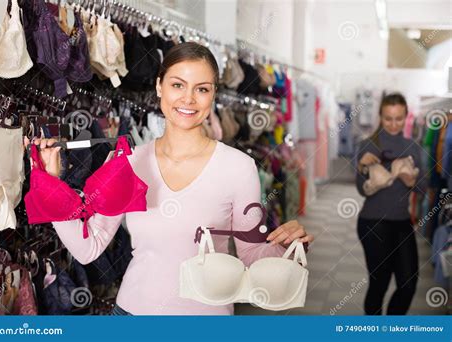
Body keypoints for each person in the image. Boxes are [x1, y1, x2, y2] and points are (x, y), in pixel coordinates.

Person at [26, 42, 314, 315]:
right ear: (159, 87)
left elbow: (249, 255)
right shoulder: (127, 161)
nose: (188, 98)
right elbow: (89, 248)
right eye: (177, 85)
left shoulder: (238, 167)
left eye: (201, 89)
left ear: (213, 95)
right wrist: (51, 184)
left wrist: (287, 247)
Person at [355, 93, 427, 315]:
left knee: (408, 284)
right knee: (380, 283)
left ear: (406, 116)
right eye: (388, 118)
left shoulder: (413, 147)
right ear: (380, 116)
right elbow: (360, 189)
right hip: (372, 223)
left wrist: (412, 182)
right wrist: (362, 167)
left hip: (402, 222)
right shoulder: (367, 144)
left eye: (398, 118)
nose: (393, 124)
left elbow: (423, 190)